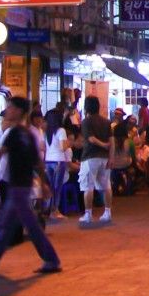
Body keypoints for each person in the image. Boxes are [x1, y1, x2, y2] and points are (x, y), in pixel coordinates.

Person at [0, 96, 63, 274]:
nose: (8, 111)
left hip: (18, 187)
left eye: (11, 108)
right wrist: (43, 183)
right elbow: (37, 162)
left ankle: (51, 259)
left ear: (19, 111)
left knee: (25, 225)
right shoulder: (27, 133)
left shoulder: (14, 134)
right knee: (7, 224)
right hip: (22, 185)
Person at [75, 96, 114, 225]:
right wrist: (111, 156)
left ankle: (88, 214)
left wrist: (102, 145)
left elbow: (91, 139)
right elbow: (112, 141)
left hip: (90, 156)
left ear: (86, 107)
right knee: (106, 186)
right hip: (104, 158)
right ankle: (107, 212)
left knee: (88, 187)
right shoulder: (107, 122)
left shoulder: (86, 122)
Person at [43, 108, 73, 217]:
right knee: (57, 187)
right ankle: (55, 211)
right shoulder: (61, 131)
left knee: (50, 186)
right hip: (58, 161)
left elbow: (43, 147)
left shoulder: (46, 132)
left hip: (48, 161)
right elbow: (62, 148)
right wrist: (68, 144)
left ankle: (49, 209)